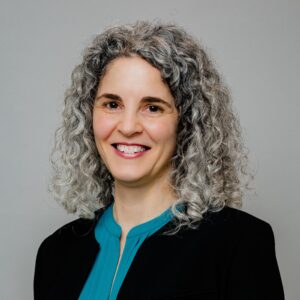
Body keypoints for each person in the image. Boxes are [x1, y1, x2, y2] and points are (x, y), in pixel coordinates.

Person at [34, 20, 285, 300]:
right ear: (89, 115)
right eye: (112, 104)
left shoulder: (239, 243)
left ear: (187, 122)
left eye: (152, 107)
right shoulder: (55, 253)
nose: (128, 127)